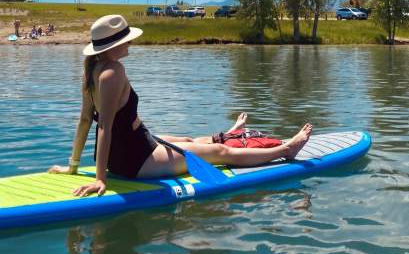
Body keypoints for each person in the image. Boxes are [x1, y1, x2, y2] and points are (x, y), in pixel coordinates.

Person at [49, 14, 312, 197]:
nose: (130, 41)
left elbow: (85, 121)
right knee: (219, 153)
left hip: (134, 145)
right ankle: (285, 150)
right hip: (136, 158)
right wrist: (100, 180)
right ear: (116, 43)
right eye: (126, 38)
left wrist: (73, 166)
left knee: (187, 138)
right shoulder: (112, 72)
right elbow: (104, 126)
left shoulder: (92, 70)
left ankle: (232, 132)